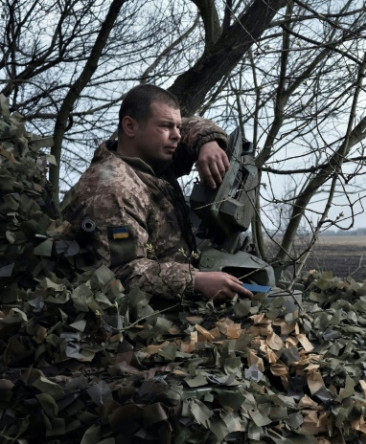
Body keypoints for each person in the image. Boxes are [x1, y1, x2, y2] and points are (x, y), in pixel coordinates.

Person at [62, 84, 252, 301]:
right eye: (166, 126)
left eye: (177, 127)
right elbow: (120, 274)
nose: (177, 136)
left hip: (175, 288)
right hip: (139, 316)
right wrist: (195, 280)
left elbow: (191, 125)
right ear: (130, 127)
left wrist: (208, 142)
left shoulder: (150, 159)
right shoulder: (111, 189)